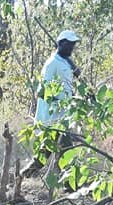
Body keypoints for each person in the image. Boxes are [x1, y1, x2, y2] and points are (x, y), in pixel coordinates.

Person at [20, 30, 81, 180]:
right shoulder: (52, 63)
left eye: (73, 44)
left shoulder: (65, 62)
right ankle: (71, 185)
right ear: (61, 44)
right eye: (69, 44)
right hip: (52, 117)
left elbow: (67, 87)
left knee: (46, 151)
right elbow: (43, 91)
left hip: (61, 116)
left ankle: (23, 175)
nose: (71, 47)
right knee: (67, 152)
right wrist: (61, 101)